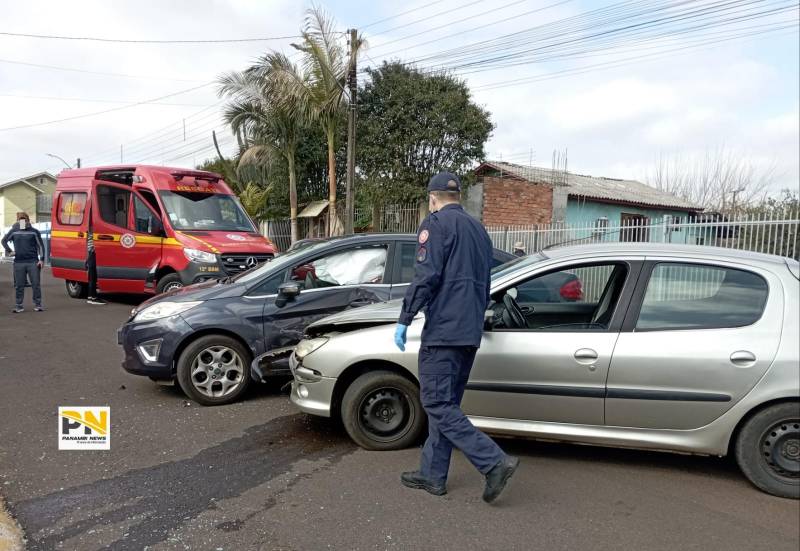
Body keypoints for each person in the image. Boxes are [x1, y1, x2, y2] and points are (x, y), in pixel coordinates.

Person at [394, 172, 519, 503]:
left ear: (432, 198)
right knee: (446, 405)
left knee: (436, 403)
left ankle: (494, 462)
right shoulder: (479, 230)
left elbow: (426, 275)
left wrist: (405, 318)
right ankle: (432, 474)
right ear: (458, 197)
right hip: (469, 332)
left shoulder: (435, 224)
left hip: (444, 332)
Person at [2, 212, 45, 313]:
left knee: (36, 285)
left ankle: (38, 305)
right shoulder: (14, 231)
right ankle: (19, 306)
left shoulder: (34, 232)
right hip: (19, 262)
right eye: (20, 220)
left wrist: (41, 259)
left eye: (24, 220)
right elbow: (3, 241)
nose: (22, 222)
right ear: (17, 221)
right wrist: (10, 251)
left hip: (33, 262)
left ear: (28, 220)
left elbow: (41, 246)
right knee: (19, 286)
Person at [85, 207, 106, 305]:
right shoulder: (92, 228)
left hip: (90, 252)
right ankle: (93, 298)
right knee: (93, 276)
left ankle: (91, 296)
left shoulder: (88, 227)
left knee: (91, 276)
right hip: (92, 252)